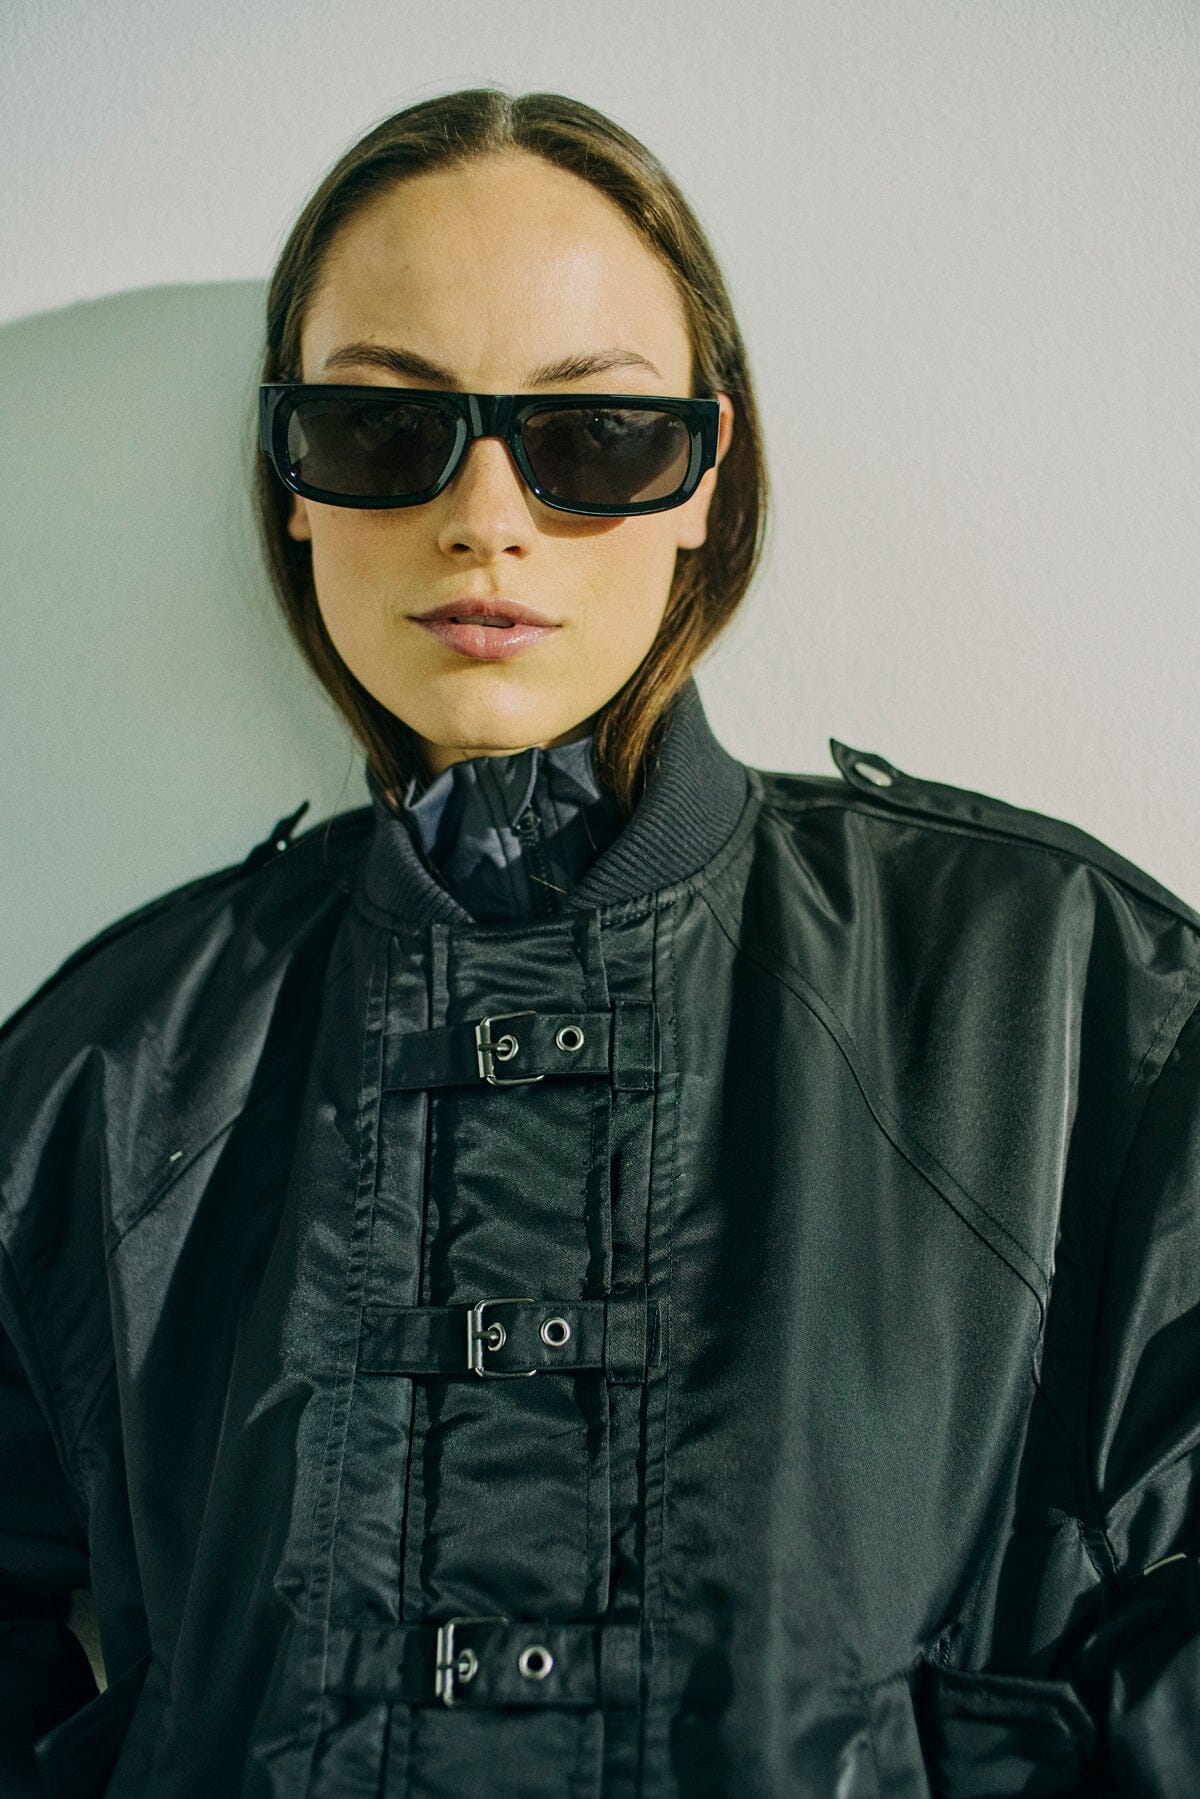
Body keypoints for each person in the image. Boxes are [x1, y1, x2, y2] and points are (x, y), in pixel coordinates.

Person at [2, 85, 1198, 1799]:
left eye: (596, 437)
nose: (486, 514)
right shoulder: (112, 1076)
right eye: (382, 428)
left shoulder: (1058, 997)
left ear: (706, 478)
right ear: (292, 486)